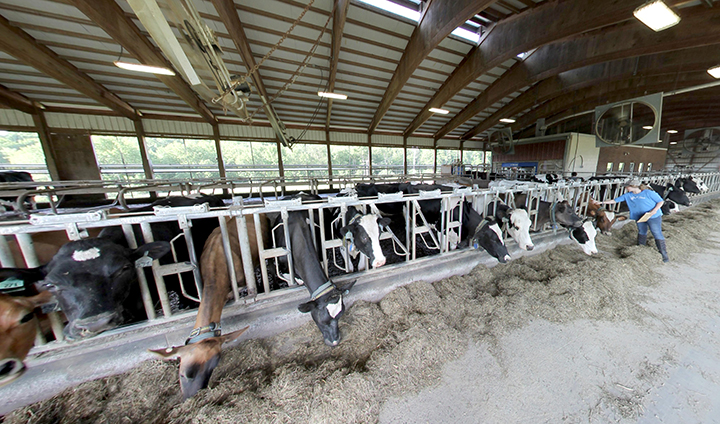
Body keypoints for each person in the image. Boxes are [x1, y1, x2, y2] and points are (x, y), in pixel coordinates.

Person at [597, 178, 668, 262]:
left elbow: (660, 201)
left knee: (656, 232)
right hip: (640, 216)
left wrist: (654, 210)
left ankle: (664, 255)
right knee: (642, 231)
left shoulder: (649, 193)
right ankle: (641, 249)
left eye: (627, 186)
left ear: (633, 186)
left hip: (653, 216)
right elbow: (614, 201)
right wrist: (600, 202)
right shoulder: (628, 195)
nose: (626, 188)